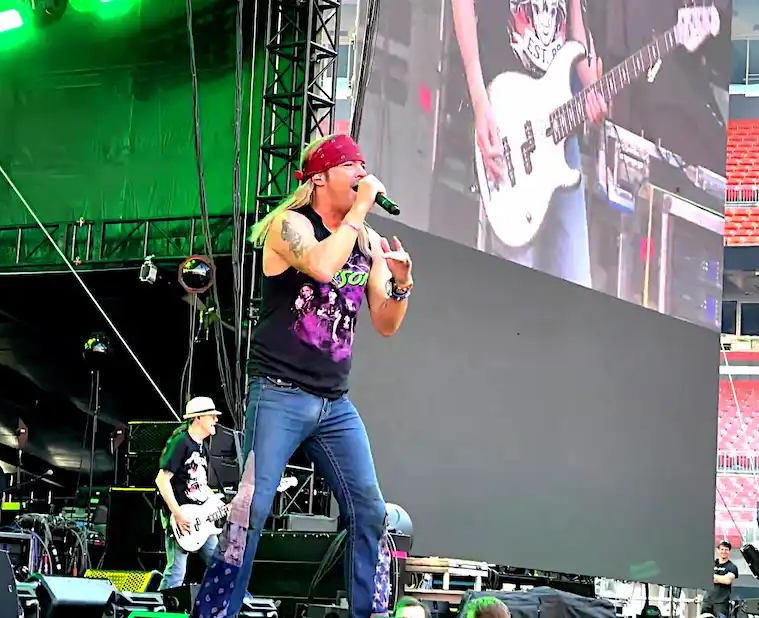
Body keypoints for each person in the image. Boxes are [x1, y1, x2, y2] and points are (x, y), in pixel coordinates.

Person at [192, 133, 412, 618]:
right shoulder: (289, 225)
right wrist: (359, 212)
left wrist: (402, 284)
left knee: (370, 510)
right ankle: (215, 613)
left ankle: (370, 612)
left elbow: (385, 322)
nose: (362, 174)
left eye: (364, 166)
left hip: (334, 403)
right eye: (352, 166)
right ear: (322, 177)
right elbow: (320, 265)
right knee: (251, 508)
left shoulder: (367, 240)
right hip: (279, 391)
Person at [452, 0, 605, 287]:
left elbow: (576, 28)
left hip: (560, 131)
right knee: (515, 281)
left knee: (576, 281)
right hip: (509, 116)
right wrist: (479, 99)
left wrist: (595, 90)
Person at [154, 396, 222, 590]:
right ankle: (161, 605)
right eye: (211, 416)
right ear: (198, 418)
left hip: (200, 520)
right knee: (176, 571)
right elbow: (161, 480)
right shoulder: (181, 442)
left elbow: (200, 484)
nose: (216, 420)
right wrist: (177, 513)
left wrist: (220, 503)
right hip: (181, 518)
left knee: (218, 565)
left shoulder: (202, 447)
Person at [702, 540, 738, 618]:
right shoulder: (711, 564)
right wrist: (720, 578)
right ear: (718, 550)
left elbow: (727, 580)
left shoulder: (732, 567)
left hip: (721, 603)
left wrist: (713, 577)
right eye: (722, 549)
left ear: (729, 551)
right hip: (708, 601)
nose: (723, 552)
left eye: (726, 550)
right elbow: (704, 577)